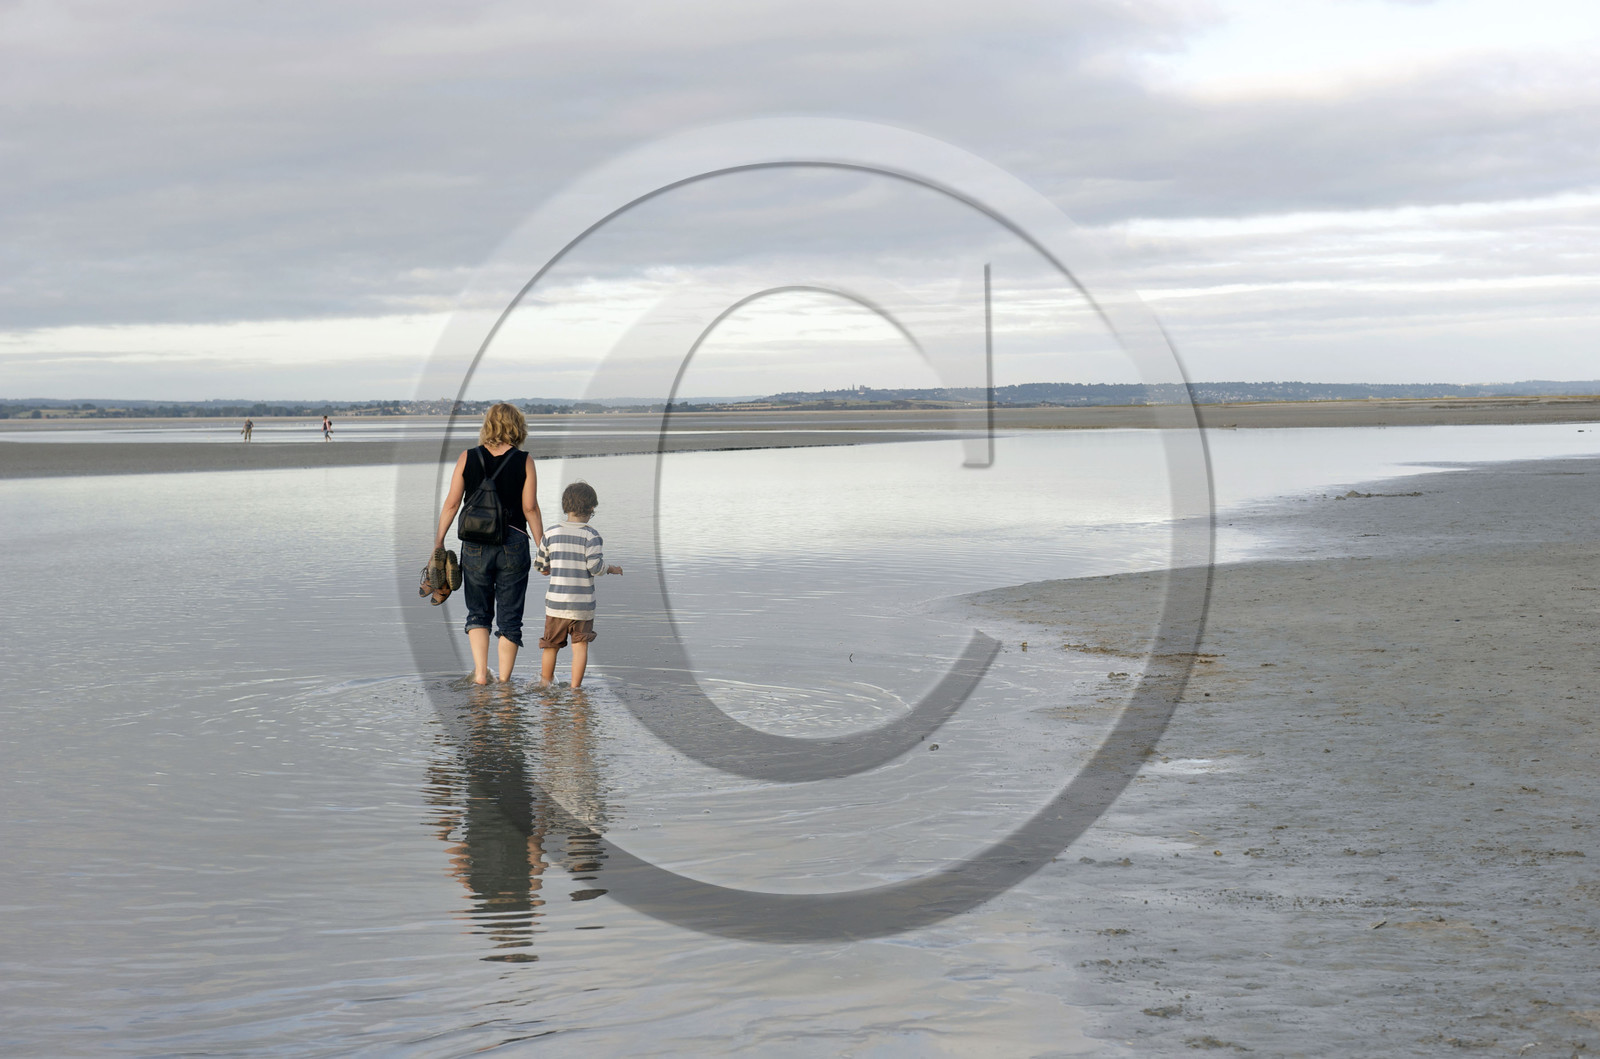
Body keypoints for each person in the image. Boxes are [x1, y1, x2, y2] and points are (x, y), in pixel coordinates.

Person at [432, 403, 544, 685]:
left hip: (475, 545)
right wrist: (543, 547)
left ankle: (481, 676)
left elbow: (452, 503)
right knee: (510, 617)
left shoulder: (467, 457)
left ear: (488, 426)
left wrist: (439, 541)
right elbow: (529, 508)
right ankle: (505, 684)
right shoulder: (524, 461)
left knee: (478, 612)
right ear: (517, 427)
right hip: (514, 544)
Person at [535, 481, 621, 689]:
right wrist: (611, 568)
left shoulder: (550, 533)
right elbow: (595, 567)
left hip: (556, 605)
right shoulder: (591, 535)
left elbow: (540, 565)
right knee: (580, 645)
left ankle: (545, 684)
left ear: (566, 506)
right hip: (582, 606)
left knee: (550, 646)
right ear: (591, 508)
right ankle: (575, 690)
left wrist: (548, 569)